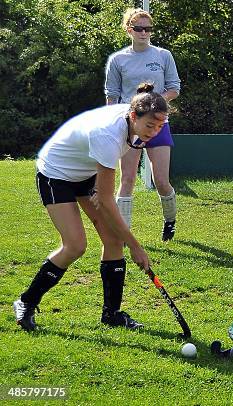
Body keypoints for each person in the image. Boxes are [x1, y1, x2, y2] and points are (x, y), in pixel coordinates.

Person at [13, 83, 170, 332]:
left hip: (85, 172)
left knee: (113, 240)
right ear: (133, 116)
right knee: (75, 245)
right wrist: (136, 246)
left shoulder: (135, 122)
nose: (154, 132)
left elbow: (105, 184)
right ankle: (26, 301)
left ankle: (112, 315)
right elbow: (108, 200)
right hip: (56, 173)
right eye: (150, 125)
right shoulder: (108, 134)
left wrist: (100, 192)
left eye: (160, 126)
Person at [105, 7, 181, 241]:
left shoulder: (163, 55)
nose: (144, 33)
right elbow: (112, 95)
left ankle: (170, 221)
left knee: (161, 180)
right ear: (129, 30)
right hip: (129, 126)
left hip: (158, 123)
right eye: (139, 28)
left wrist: (154, 104)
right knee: (126, 179)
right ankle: (122, 234)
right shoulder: (118, 59)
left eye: (148, 29)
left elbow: (174, 88)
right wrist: (114, 121)